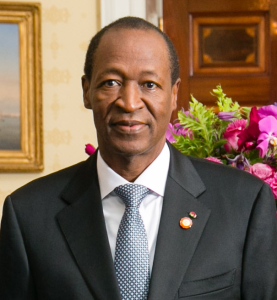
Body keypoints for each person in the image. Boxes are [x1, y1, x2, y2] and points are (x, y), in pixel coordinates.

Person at [0, 16, 277, 300]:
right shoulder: (27, 215)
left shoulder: (245, 203)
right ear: (86, 91)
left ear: (174, 95)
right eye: (111, 82)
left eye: (149, 84)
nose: (129, 102)